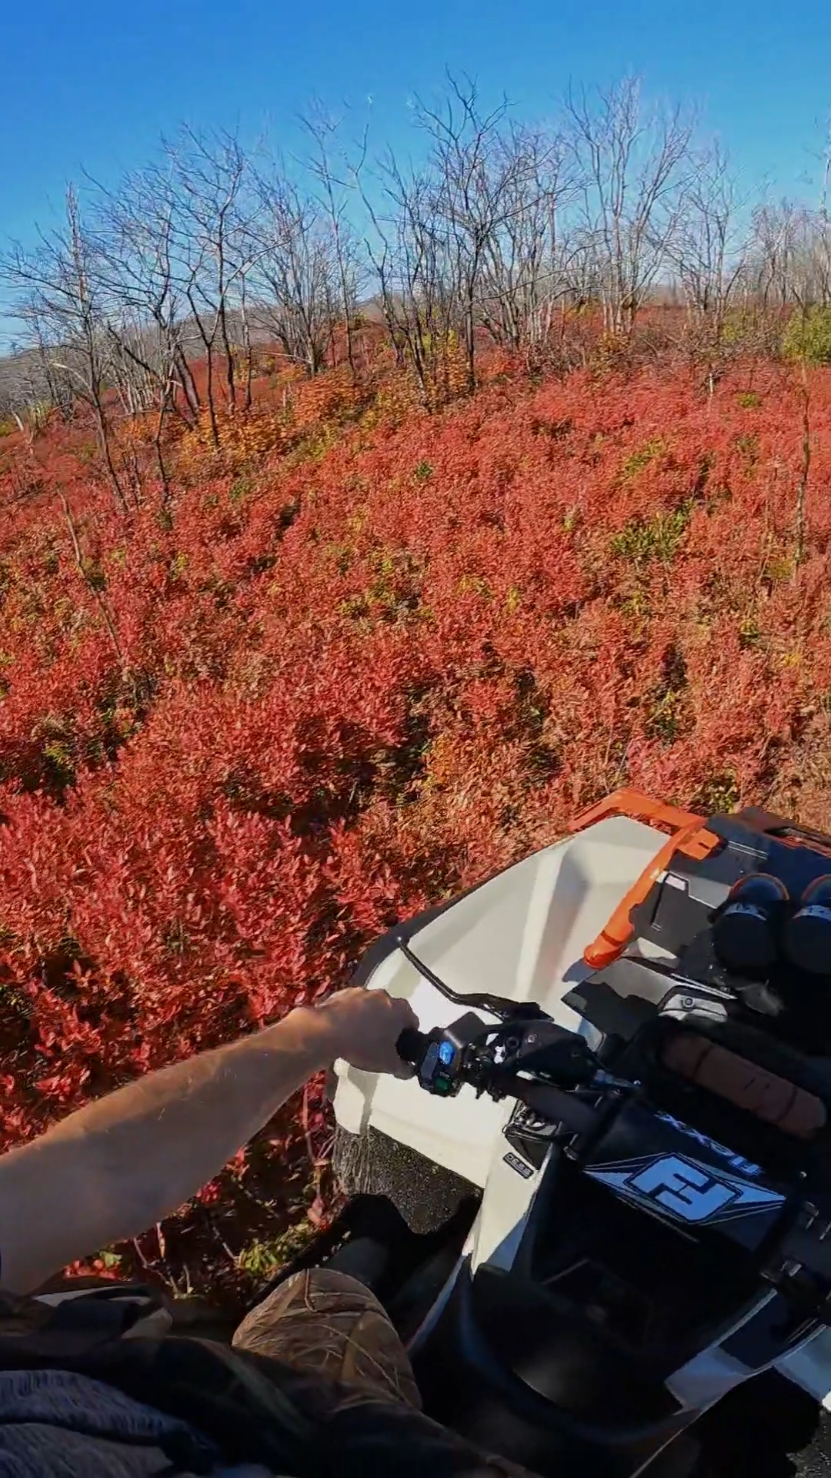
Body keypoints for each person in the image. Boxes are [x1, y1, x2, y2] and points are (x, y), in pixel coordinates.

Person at [0, 988, 522, 1476]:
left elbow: (96, 1179)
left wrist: (322, 1032)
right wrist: (321, 1031)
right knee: (324, 1303)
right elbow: (99, 1176)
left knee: (314, 1299)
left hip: (212, 1402)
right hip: (316, 1443)